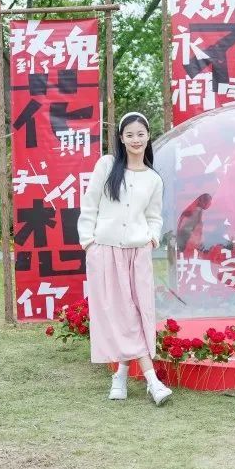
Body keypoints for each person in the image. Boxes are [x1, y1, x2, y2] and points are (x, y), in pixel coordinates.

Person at [77, 111, 173, 406]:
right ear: (121, 138)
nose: (135, 139)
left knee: (137, 313)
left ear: (148, 136)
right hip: (106, 251)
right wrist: (88, 243)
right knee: (124, 315)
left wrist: (152, 238)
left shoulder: (153, 179)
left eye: (140, 134)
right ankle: (153, 381)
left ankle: (120, 376)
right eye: (129, 134)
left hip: (138, 253)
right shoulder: (107, 166)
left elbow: (154, 216)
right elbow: (90, 204)